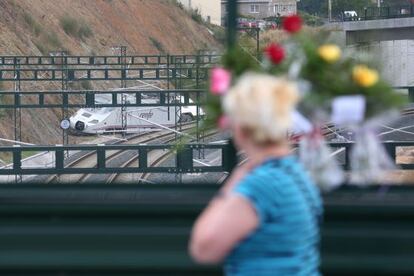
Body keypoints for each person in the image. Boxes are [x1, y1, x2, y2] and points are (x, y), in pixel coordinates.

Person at [189, 73, 323, 275]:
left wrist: (230, 186)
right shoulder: (296, 172)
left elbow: (203, 249)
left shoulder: (263, 184)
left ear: (242, 129)